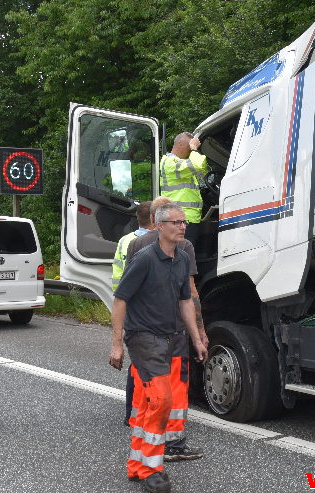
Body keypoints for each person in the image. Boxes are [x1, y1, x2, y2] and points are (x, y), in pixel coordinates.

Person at [109, 203, 208, 493]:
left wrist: (197, 337)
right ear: (160, 226)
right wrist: (116, 344)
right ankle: (152, 468)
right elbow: (120, 300)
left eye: (184, 222)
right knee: (162, 401)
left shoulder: (180, 259)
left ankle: (137, 464)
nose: (183, 226)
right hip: (144, 339)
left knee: (150, 404)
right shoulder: (144, 258)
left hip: (170, 338)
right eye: (176, 222)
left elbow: (185, 301)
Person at [111, 201, 152, 426]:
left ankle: (132, 413)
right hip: (144, 308)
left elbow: (117, 274)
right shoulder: (153, 242)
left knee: (137, 360)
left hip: (127, 305)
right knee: (143, 361)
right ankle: (140, 412)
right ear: (155, 219)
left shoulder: (125, 240)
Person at [159, 132, 207, 246]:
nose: (190, 151)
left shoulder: (183, 164)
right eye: (189, 147)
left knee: (186, 257)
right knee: (181, 259)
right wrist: (195, 149)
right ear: (180, 144)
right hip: (179, 220)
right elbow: (197, 165)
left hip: (187, 220)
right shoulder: (169, 162)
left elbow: (202, 169)